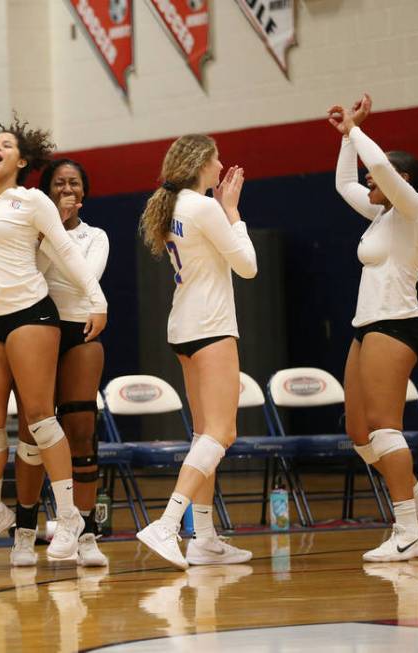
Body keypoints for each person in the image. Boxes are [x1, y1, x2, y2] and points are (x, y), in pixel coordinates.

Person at [0, 46, 107, 561]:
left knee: (40, 418)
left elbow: (65, 253)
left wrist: (97, 299)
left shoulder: (34, 200)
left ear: (21, 161)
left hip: (31, 316)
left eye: (5, 145)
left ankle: (67, 517)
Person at [329, 94, 418, 562]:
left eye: (377, 178)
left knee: (385, 428)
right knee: (361, 435)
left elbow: (376, 166)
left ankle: (406, 529)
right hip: (367, 326)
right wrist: (346, 136)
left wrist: (359, 131)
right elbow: (346, 181)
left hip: (397, 324)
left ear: (401, 181)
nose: (368, 180)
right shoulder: (381, 213)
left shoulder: (411, 207)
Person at [135, 133, 257, 570]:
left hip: (184, 327)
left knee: (205, 435)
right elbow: (248, 266)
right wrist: (233, 212)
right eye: (217, 158)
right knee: (221, 434)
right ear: (201, 162)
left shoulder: (173, 206)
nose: (221, 164)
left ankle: (203, 538)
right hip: (211, 326)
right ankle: (168, 523)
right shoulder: (204, 207)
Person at [10, 158, 109, 567]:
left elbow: (86, 274)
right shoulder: (30, 235)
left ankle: (85, 533)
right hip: (37, 327)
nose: (66, 189)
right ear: (46, 193)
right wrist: (51, 230)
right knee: (33, 429)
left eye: (74, 184)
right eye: (58, 184)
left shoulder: (97, 235)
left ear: (83, 193)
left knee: (82, 429)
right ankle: (25, 530)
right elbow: (36, 276)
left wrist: (60, 235)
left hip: (80, 329)